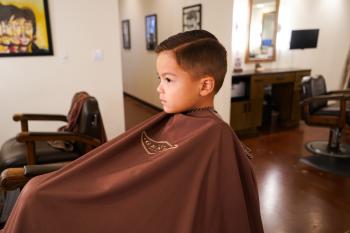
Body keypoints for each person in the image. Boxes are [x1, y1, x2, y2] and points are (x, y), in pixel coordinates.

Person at [0, 30, 264, 233]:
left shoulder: (213, 136)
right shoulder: (171, 120)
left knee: (35, 195)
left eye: (168, 79)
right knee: (35, 191)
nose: (159, 88)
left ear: (205, 85)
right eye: (158, 78)